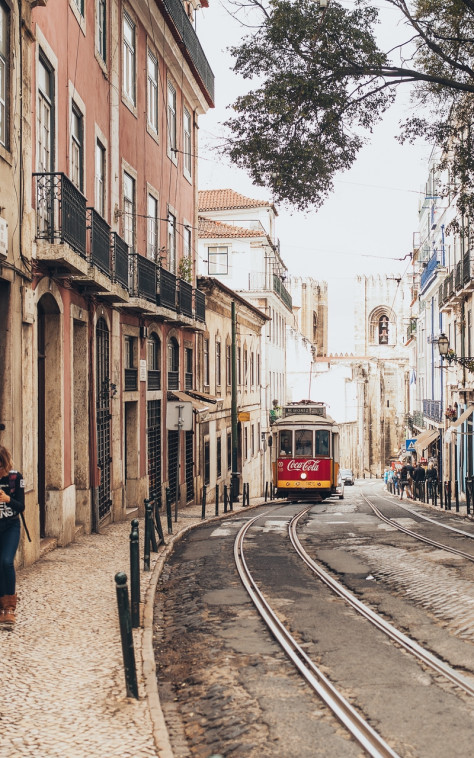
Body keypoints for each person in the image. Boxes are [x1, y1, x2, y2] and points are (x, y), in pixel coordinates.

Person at [0, 446, 25, 627]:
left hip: (10, 525)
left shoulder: (15, 478)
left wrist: (8, 499)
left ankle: (9, 608)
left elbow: (21, 506)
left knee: (6, 561)